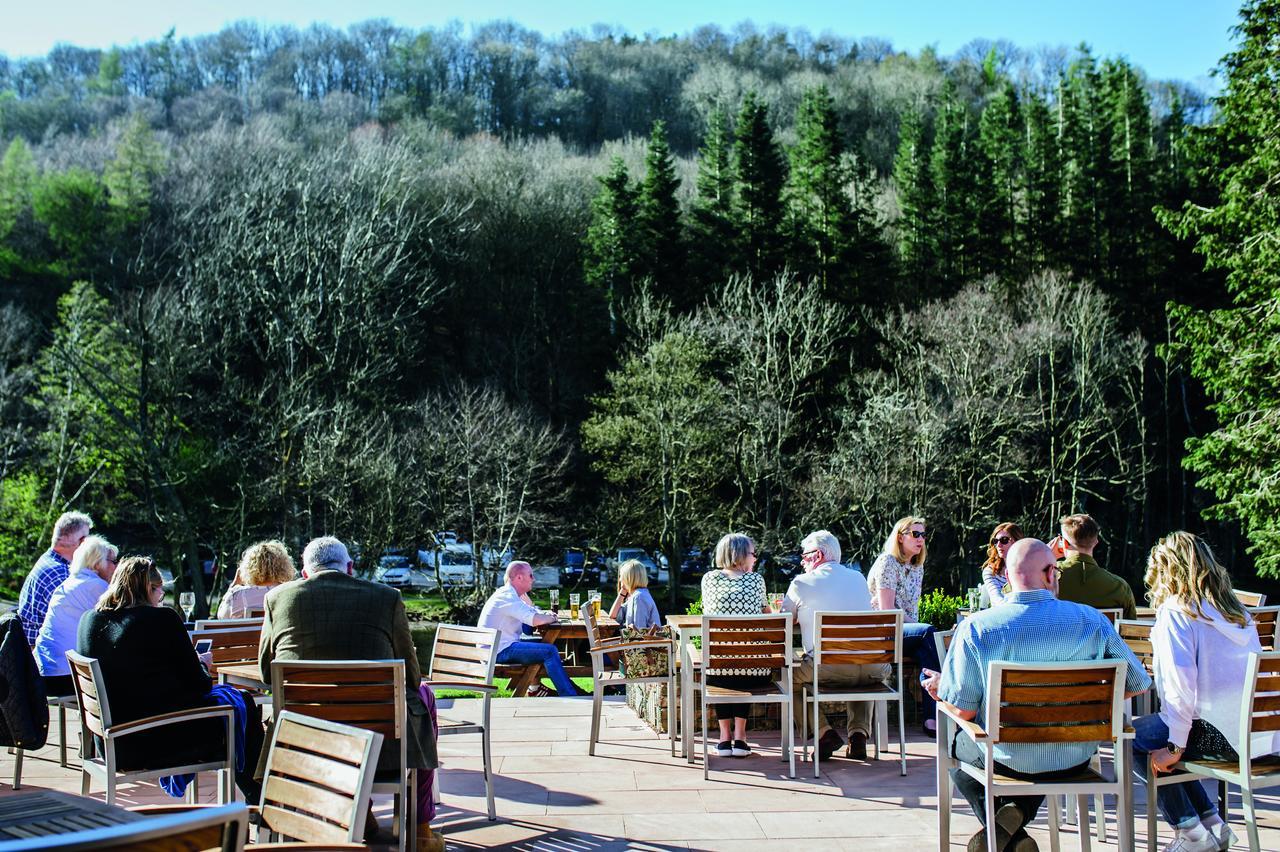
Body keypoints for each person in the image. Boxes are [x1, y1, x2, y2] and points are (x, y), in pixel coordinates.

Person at [934, 538, 1151, 852]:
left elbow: (964, 713)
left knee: (960, 754)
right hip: (1075, 757)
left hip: (1006, 759)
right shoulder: (1092, 621)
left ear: (1007, 579)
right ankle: (1015, 827)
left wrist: (941, 695)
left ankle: (1009, 830)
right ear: (1050, 574)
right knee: (1037, 747)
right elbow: (1137, 684)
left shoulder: (977, 628)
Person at [259, 536, 438, 849]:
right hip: (381, 741)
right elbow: (411, 675)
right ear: (350, 568)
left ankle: (356, 814)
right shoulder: (387, 597)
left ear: (304, 573)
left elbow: (266, 672)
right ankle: (419, 830)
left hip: (307, 739)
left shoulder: (278, 599)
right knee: (423, 699)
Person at [1133, 532, 1278, 852]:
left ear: (1166, 570)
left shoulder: (1176, 612)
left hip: (1215, 735)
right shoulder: (1238, 612)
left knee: (1132, 737)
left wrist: (1175, 746)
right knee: (1158, 735)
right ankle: (1213, 825)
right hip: (1255, 735)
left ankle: (1192, 834)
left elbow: (1180, 688)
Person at [77, 556, 265, 802]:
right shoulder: (162, 619)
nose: (160, 599)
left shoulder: (89, 621)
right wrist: (201, 664)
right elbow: (200, 686)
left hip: (109, 740)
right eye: (160, 593)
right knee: (243, 707)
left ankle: (258, 798)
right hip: (150, 739)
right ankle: (261, 800)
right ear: (148, 589)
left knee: (238, 707)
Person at [782, 529, 886, 762]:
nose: (802, 561)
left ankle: (823, 733)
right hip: (874, 667)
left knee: (788, 679)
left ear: (817, 555)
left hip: (828, 666)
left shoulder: (801, 583)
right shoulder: (859, 578)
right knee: (859, 656)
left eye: (805, 555)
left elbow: (784, 621)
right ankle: (858, 736)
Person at [867, 516, 943, 736]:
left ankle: (931, 718)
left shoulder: (916, 567)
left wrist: (919, 626)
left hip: (907, 632)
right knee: (930, 634)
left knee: (928, 650)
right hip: (883, 631)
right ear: (900, 537)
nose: (921, 539)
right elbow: (888, 611)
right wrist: (921, 626)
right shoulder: (887, 562)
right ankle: (937, 712)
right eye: (915, 534)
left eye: (923, 535)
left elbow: (911, 612)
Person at [700, 532, 770, 759]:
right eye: (752, 554)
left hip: (717, 667)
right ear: (740, 555)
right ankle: (740, 737)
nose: (755, 559)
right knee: (744, 662)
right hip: (754, 670)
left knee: (725, 665)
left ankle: (723, 738)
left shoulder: (709, 579)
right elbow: (767, 615)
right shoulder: (756, 580)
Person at [478, 561, 580, 697]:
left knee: (543, 645)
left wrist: (541, 613)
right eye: (531, 575)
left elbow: (530, 618)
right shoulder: (507, 597)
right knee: (549, 651)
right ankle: (569, 695)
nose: (534, 579)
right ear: (519, 577)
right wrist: (553, 617)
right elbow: (535, 620)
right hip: (496, 652)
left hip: (497, 648)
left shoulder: (510, 595)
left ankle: (536, 688)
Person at [34, 535, 117, 697]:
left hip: (44, 675)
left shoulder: (71, 583)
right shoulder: (97, 587)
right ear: (97, 562)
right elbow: (121, 625)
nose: (116, 567)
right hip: (66, 678)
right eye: (113, 562)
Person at [17, 511, 92, 646]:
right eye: (86, 539)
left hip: (30, 650)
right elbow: (76, 624)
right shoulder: (60, 573)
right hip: (38, 657)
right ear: (81, 542)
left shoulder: (49, 560)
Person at [1053, 513, 1138, 619]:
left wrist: (1046, 555)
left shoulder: (1050, 578)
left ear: (1063, 543)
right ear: (1096, 542)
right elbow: (1130, 628)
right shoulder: (1119, 586)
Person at [216, 540, 296, 619]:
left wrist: (234, 584)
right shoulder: (289, 592)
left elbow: (222, 617)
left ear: (249, 567)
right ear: (284, 566)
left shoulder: (238, 595)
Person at [981, 522, 1024, 607]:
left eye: (1004, 540)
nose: (999, 545)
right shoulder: (990, 571)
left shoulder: (1030, 567)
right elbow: (997, 600)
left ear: (1017, 541)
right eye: (995, 541)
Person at [609, 559, 661, 629]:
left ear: (629, 578)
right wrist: (622, 592)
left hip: (647, 640)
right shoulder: (635, 595)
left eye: (622, 576)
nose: (620, 580)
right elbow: (613, 616)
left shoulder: (639, 597)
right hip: (638, 639)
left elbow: (640, 631)